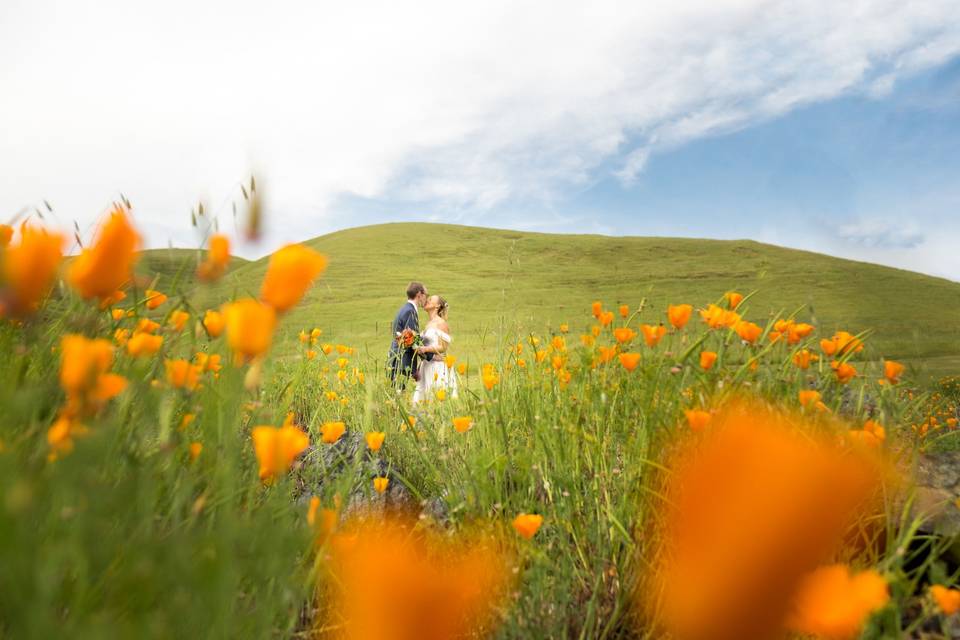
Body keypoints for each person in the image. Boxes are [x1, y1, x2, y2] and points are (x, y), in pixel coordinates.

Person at [412, 294, 458, 405]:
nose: (427, 300)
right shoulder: (428, 324)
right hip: (427, 366)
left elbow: (443, 347)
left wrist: (425, 349)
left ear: (437, 306)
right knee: (423, 400)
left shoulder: (441, 323)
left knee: (437, 399)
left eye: (430, 299)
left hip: (437, 367)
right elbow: (423, 343)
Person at [387, 282, 429, 387]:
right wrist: (429, 356)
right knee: (399, 395)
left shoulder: (405, 309)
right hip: (402, 362)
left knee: (398, 395)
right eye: (426, 295)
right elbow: (412, 340)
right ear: (419, 294)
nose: (426, 299)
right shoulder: (410, 311)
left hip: (397, 360)